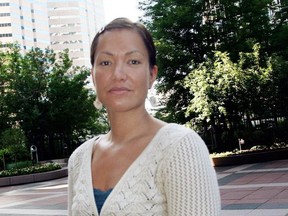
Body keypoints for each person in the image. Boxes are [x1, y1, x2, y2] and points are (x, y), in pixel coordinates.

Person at [68, 17, 221, 216]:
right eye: (105, 62)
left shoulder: (180, 146)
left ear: (151, 74)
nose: (118, 74)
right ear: (93, 76)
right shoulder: (79, 159)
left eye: (133, 61)